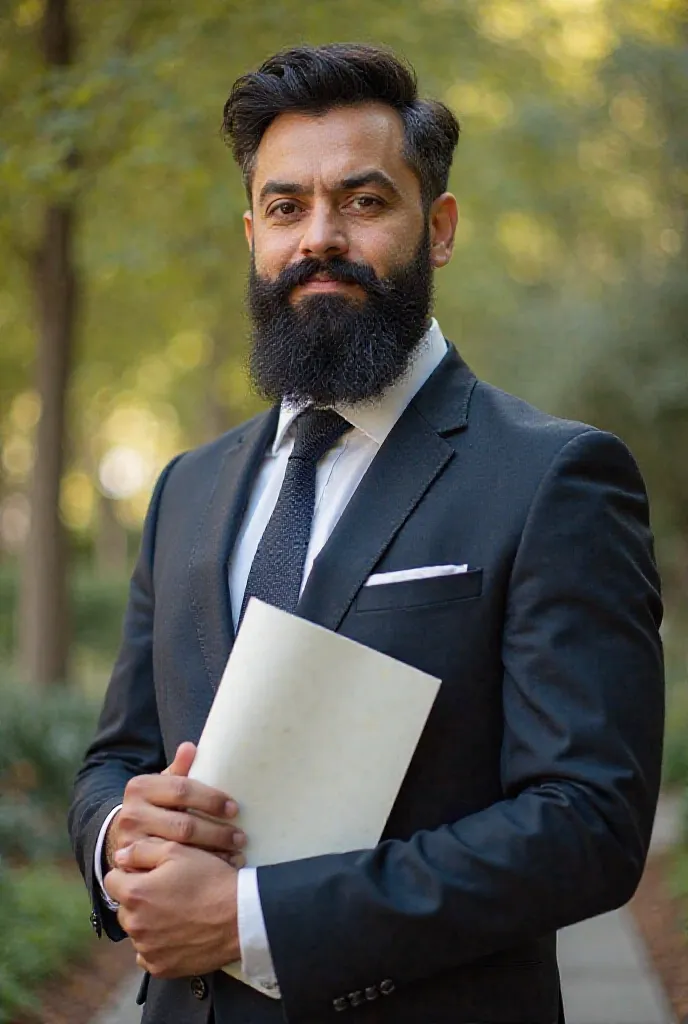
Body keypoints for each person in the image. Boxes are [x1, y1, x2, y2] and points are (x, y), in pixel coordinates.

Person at [68, 43, 664, 1024]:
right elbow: (114, 757)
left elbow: (587, 822)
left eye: (364, 200)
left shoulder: (555, 477)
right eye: (286, 206)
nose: (320, 237)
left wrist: (256, 920)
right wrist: (116, 839)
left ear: (438, 228)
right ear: (251, 230)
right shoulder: (185, 488)